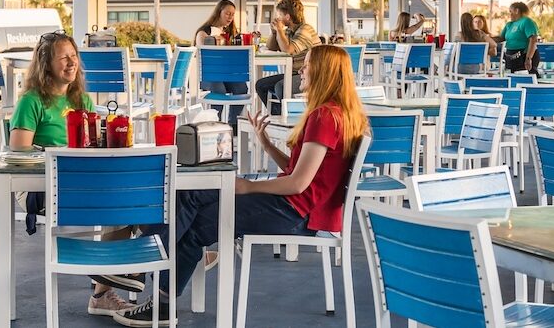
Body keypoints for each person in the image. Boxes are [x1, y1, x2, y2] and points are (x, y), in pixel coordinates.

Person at [111, 45, 367, 327]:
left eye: (306, 65)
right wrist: (267, 143)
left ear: (324, 72)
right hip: (302, 209)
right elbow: (304, 173)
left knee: (192, 207)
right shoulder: (337, 113)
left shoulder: (323, 117)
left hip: (295, 213)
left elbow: (298, 183)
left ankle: (142, 267)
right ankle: (153, 288)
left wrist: (247, 187)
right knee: (192, 204)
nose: (301, 70)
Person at [0, 32, 143, 316]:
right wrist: (58, 156)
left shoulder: (82, 101)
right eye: (63, 57)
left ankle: (104, 289)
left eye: (74, 56)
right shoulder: (32, 101)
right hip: (40, 187)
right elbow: (18, 155)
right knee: (122, 207)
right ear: (46, 64)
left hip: (78, 185)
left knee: (130, 203)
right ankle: (124, 272)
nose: (71, 63)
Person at [254, 0, 319, 116]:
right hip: (295, 73)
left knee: (281, 87)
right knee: (261, 85)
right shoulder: (290, 31)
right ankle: (278, 116)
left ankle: (287, 117)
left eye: (280, 15)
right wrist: (274, 32)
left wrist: (279, 29)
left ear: (287, 16)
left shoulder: (305, 30)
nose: (278, 18)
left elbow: (288, 50)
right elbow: (271, 47)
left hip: (312, 75)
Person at [195, 0, 247, 125]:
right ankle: (214, 124)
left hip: (224, 75)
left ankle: (233, 124)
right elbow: (203, 57)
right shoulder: (204, 33)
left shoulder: (231, 34)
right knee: (219, 89)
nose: (230, 17)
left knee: (241, 87)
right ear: (219, 12)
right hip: (207, 75)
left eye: (233, 14)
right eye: (227, 13)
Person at [499, 2, 542, 73]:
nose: (509, 14)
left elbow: (533, 39)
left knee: (526, 80)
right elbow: (500, 38)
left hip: (524, 55)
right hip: (511, 57)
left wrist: (528, 58)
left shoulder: (526, 21)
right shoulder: (509, 24)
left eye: (510, 11)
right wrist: (484, 38)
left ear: (517, 10)